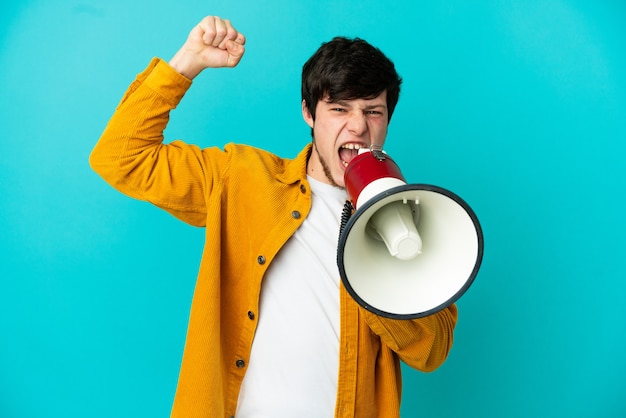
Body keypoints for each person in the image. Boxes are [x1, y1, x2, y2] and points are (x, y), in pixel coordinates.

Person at [90, 15, 457, 418]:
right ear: (308, 113)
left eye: (373, 111)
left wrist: (383, 251)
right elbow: (120, 158)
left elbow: (432, 350)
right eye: (339, 108)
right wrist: (186, 64)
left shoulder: (412, 222)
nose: (358, 126)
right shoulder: (241, 178)